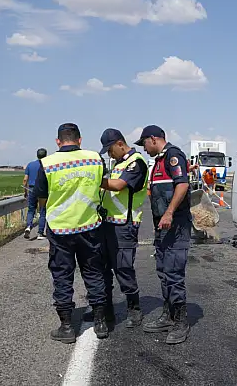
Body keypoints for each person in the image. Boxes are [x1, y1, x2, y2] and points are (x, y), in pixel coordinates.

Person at [35, 123, 112, 343]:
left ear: (58, 141)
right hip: (90, 227)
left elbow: (42, 198)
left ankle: (67, 327)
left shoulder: (47, 163)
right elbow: (101, 184)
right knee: (94, 273)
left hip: (60, 230)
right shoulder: (95, 159)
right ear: (80, 140)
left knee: (62, 276)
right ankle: (100, 323)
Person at [134, 125, 192, 345]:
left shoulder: (173, 155)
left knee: (174, 271)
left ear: (153, 139)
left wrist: (169, 212)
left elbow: (182, 184)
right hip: (163, 227)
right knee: (163, 270)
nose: (144, 148)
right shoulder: (158, 161)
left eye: (144, 144)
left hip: (175, 225)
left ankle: (181, 321)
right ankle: (168, 315)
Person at [96, 128, 149, 328]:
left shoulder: (136, 162)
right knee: (103, 269)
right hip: (108, 223)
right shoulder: (119, 163)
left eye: (110, 150)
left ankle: (134, 309)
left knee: (123, 268)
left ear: (120, 143)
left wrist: (94, 181)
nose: (109, 154)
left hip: (124, 225)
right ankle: (106, 311)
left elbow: (118, 185)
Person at [23, 148, 48, 240]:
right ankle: (40, 233)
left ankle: (28, 227)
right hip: (42, 190)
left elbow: (25, 179)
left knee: (31, 210)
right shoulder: (46, 165)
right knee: (42, 211)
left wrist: (25, 191)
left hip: (32, 189)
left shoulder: (30, 165)